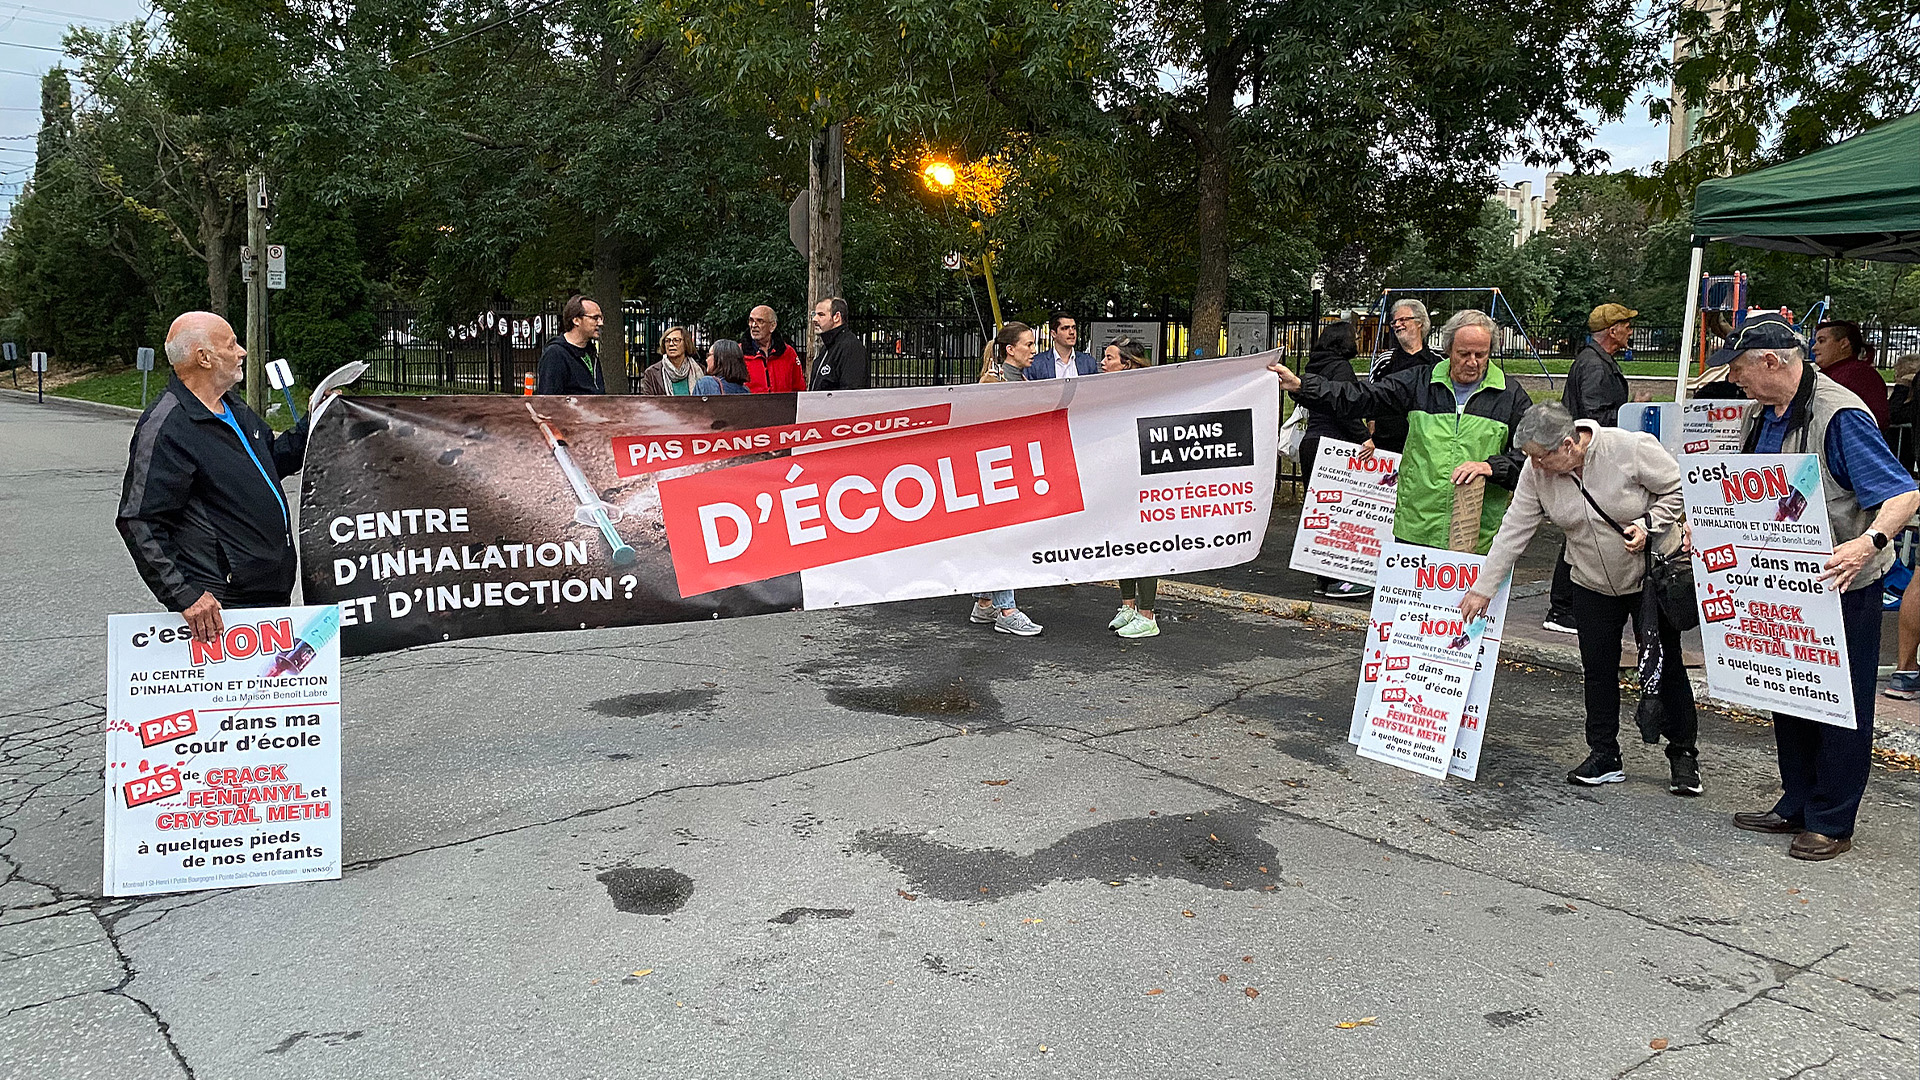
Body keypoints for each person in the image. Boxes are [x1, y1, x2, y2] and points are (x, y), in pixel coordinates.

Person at [1722, 315, 1919, 861]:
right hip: (1781, 584)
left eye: (1739, 370)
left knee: (1841, 704)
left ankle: (1833, 819)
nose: (1733, 380)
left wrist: (1870, 543)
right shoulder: (1765, 413)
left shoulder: (1840, 415)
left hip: (1841, 582)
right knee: (1787, 691)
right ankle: (1797, 801)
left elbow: (1904, 495)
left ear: (1770, 362)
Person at [1460, 402, 1700, 793]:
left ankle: (1683, 754)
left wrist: (1647, 525)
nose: (1534, 467)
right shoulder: (1536, 474)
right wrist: (1483, 587)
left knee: (1664, 663)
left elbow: (1678, 488)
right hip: (1590, 579)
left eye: (1541, 457)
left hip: (1649, 578)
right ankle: (1604, 753)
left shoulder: (1628, 447)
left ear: (1569, 445)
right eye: (1530, 458)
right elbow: (1514, 528)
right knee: (1597, 668)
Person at [116, 312, 313, 643]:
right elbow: (139, 519)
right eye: (232, 344)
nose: (242, 352)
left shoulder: (232, 407)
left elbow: (269, 464)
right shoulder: (168, 426)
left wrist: (313, 422)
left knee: (273, 692)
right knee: (232, 696)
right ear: (203, 358)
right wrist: (186, 595)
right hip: (222, 606)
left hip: (269, 593)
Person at [1270, 309, 1531, 555]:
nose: (1472, 362)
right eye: (1464, 354)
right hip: (1416, 529)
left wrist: (1493, 467)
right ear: (1449, 349)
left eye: (1481, 354)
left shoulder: (1510, 395)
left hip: (1477, 533)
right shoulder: (1419, 382)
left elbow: (1533, 454)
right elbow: (1360, 396)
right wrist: (1301, 386)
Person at [1542, 303, 1646, 635]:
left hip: (1588, 457)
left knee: (1584, 527)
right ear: (1613, 330)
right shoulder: (1594, 366)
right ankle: (1562, 607)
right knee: (1581, 528)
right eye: (1626, 325)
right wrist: (1632, 413)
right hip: (1589, 458)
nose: (1630, 331)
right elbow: (1593, 418)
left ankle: (1565, 606)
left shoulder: (1595, 361)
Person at [968, 322, 1044, 636]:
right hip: (996, 471)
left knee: (998, 538)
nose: (1034, 350)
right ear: (1010, 349)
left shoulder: (1019, 378)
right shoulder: (994, 380)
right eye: (1028, 344)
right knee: (1004, 539)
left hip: (1010, 468)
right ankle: (1007, 610)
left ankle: (985, 602)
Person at [1296, 321, 1373, 599]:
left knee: (1320, 512)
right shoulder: (1341, 368)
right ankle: (1341, 578)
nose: (1357, 340)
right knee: (1341, 514)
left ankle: (1323, 576)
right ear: (1343, 341)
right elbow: (1345, 406)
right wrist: (1364, 435)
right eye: (1353, 336)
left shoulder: (1314, 366)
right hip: (1335, 445)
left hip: (1312, 442)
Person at [1097, 338, 1163, 638]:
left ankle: (1148, 614)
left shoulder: (1143, 394)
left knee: (1144, 540)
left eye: (1109, 358)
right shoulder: (1104, 393)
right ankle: (1128, 606)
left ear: (1126, 364)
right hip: (1116, 475)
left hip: (1140, 475)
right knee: (1121, 539)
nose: (1102, 362)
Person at [1367, 298, 1441, 455]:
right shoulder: (1385, 360)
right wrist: (1370, 428)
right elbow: (1370, 396)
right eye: (1394, 322)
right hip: (1387, 441)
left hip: (1427, 442)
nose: (1397, 325)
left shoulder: (1438, 361)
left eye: (1403, 320)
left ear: (1419, 322)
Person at [1811, 319, 1890, 430]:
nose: (1814, 348)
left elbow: (1876, 420)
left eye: (1822, 341)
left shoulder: (1862, 375)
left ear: (1844, 343)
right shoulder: (1828, 373)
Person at [535, 295, 605, 395]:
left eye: (601, 318)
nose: (600, 323)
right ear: (576, 320)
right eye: (595, 318)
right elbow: (548, 402)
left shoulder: (591, 352)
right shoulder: (555, 354)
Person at [808, 297, 869, 391]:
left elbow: (852, 392)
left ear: (836, 317)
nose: (814, 319)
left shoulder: (850, 347)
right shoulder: (827, 348)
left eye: (821, 315)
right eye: (814, 314)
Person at [743, 305, 805, 393]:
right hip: (749, 405)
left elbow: (799, 387)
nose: (753, 325)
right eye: (751, 320)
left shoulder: (788, 353)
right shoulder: (738, 353)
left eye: (760, 321)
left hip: (783, 405)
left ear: (772, 326)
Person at [1026, 313, 1098, 380]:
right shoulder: (1036, 364)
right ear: (1053, 333)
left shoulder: (1088, 363)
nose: (1072, 332)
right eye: (1065, 328)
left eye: (1074, 328)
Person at [639, 325, 700, 395]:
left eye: (676, 340)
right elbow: (648, 402)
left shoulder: (699, 370)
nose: (671, 344)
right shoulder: (651, 373)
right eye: (667, 341)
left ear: (686, 344)